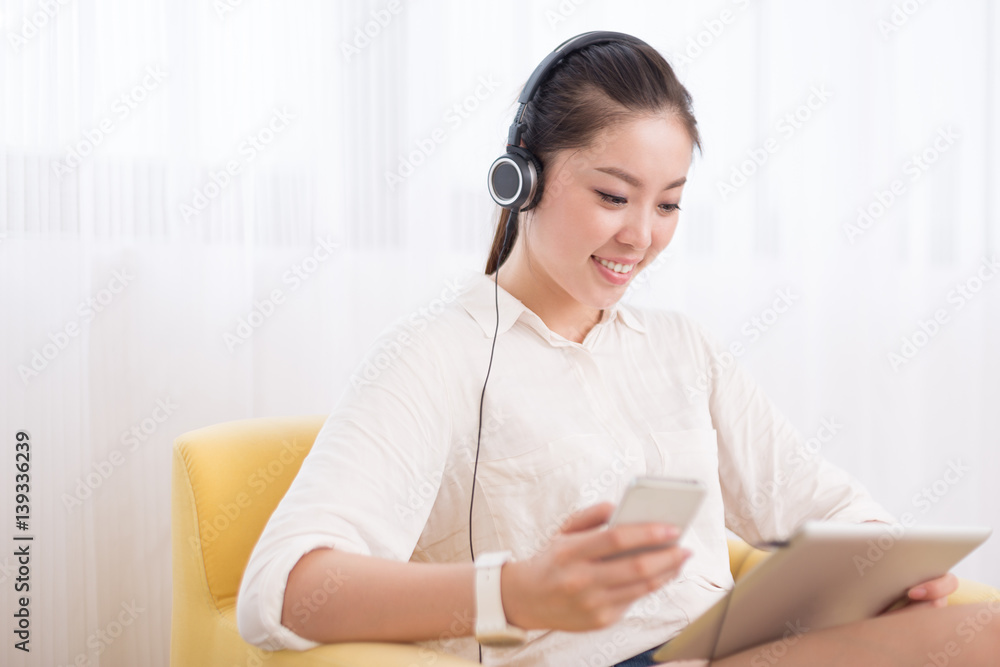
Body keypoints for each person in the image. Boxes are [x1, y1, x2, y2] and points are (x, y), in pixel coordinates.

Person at [236, 32, 998, 667]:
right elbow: (283, 589)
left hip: (716, 643)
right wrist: (516, 590)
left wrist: (883, 568)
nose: (642, 235)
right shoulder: (436, 355)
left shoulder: (682, 348)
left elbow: (822, 502)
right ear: (522, 178)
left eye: (668, 203)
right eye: (612, 196)